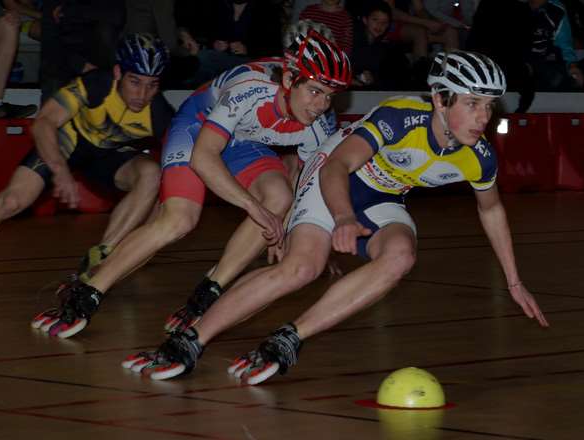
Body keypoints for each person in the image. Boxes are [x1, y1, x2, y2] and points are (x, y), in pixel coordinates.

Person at [123, 50, 549, 384]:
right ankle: (189, 340)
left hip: (382, 195)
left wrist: (513, 280)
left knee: (401, 255)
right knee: (301, 268)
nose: (483, 117)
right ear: (440, 99)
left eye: (489, 106)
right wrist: (343, 218)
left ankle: (288, 339)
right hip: (333, 178)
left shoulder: (478, 157)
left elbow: (491, 210)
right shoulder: (400, 118)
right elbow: (335, 168)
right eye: (473, 103)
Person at [32, 29, 351, 340]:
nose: (321, 105)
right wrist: (254, 208)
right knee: (179, 219)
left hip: (244, 140)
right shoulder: (249, 87)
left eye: (329, 95)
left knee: (280, 196)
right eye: (314, 91)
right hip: (199, 128)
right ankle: (88, 292)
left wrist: (292, 231)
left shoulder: (321, 124)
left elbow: (308, 181)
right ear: (288, 80)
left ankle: (209, 291)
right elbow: (204, 158)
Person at [0, 34, 174, 312]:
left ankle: (102, 254)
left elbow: (179, 168)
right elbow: (43, 123)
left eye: (152, 85)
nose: (142, 95)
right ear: (118, 72)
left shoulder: (160, 114)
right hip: (65, 143)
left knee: (152, 174)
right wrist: (60, 172)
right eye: (135, 82)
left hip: (108, 155)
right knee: (13, 201)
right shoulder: (94, 85)